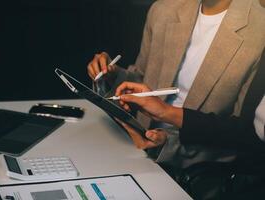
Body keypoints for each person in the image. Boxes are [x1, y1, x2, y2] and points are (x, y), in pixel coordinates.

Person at [87, 0, 265, 166]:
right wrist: (113, 75)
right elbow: (143, 77)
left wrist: (167, 141)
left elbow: (241, 133)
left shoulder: (259, 28)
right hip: (134, 144)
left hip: (195, 166)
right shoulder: (164, 9)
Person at [115, 47, 265, 167]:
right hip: (136, 148)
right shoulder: (163, 10)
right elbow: (141, 73)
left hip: (206, 174)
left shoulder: (257, 40)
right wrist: (115, 76)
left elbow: (243, 136)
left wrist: (167, 115)